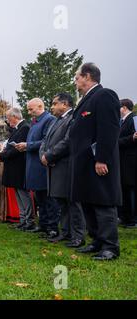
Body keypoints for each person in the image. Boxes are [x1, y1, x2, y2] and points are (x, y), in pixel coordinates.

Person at [69, 63, 121, 261]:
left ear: (87, 76)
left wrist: (102, 158)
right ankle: (97, 241)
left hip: (97, 161)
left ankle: (110, 246)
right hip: (84, 162)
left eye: (77, 77)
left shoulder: (104, 95)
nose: (76, 82)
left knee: (103, 203)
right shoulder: (85, 100)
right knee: (89, 202)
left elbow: (109, 129)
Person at [40, 93, 86, 247]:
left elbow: (67, 141)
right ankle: (66, 233)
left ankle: (78, 236)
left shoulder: (72, 118)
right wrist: (43, 155)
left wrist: (50, 156)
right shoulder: (56, 121)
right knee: (62, 203)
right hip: (54, 166)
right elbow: (45, 140)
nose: (51, 107)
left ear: (65, 104)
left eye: (54, 103)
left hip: (65, 166)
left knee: (73, 203)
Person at [15, 98, 59, 237]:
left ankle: (52, 227)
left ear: (40, 106)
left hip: (42, 165)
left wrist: (28, 145)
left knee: (48, 199)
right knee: (40, 198)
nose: (29, 112)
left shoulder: (49, 120)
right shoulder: (35, 122)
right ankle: (43, 225)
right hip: (34, 164)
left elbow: (47, 141)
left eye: (31, 109)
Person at [0, 108, 33, 230]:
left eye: (8, 117)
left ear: (14, 116)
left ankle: (28, 220)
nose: (7, 120)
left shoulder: (24, 127)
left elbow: (16, 149)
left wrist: (1, 156)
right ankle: (23, 220)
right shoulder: (18, 129)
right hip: (14, 166)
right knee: (18, 194)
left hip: (19, 166)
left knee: (23, 194)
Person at [118, 99, 137, 228]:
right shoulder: (122, 121)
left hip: (131, 161)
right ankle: (125, 217)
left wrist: (117, 142)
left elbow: (134, 137)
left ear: (124, 108)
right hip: (123, 160)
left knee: (131, 190)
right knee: (124, 189)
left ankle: (133, 219)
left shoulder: (133, 119)